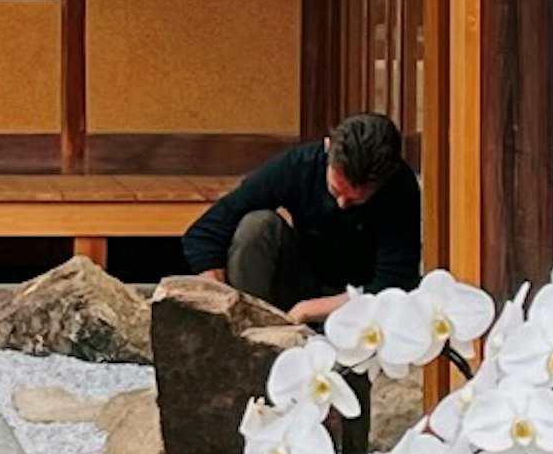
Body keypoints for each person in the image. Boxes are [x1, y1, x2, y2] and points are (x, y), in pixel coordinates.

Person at [178, 110, 423, 314]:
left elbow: (394, 283)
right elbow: (206, 232)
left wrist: (311, 309)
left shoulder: (400, 190)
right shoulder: (298, 165)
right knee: (257, 225)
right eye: (335, 191)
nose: (341, 204)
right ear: (328, 148)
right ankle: (249, 328)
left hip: (357, 304)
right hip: (297, 280)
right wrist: (221, 301)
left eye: (354, 200)